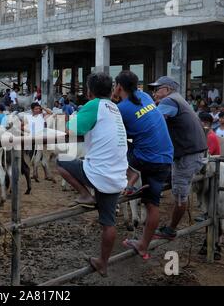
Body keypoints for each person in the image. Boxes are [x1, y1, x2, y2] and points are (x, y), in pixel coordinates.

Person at [56, 72, 128, 277]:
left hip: (99, 172)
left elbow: (71, 128)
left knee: (61, 161)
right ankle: (103, 263)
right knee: (109, 222)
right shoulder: (114, 108)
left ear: (89, 91)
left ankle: (85, 194)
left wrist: (72, 119)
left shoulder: (94, 105)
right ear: (111, 89)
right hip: (117, 174)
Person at [114, 70, 173, 259]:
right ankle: (143, 245)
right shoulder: (145, 96)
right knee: (152, 204)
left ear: (119, 87)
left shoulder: (121, 109)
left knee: (115, 145)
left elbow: (119, 133)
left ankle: (131, 176)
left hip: (146, 160)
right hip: (166, 157)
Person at [150, 76, 207, 240]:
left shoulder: (168, 101)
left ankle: (170, 230)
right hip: (193, 152)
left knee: (180, 195)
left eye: (157, 89)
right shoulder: (178, 99)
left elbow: (153, 122)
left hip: (187, 156)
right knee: (170, 182)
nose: (154, 93)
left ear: (167, 89)